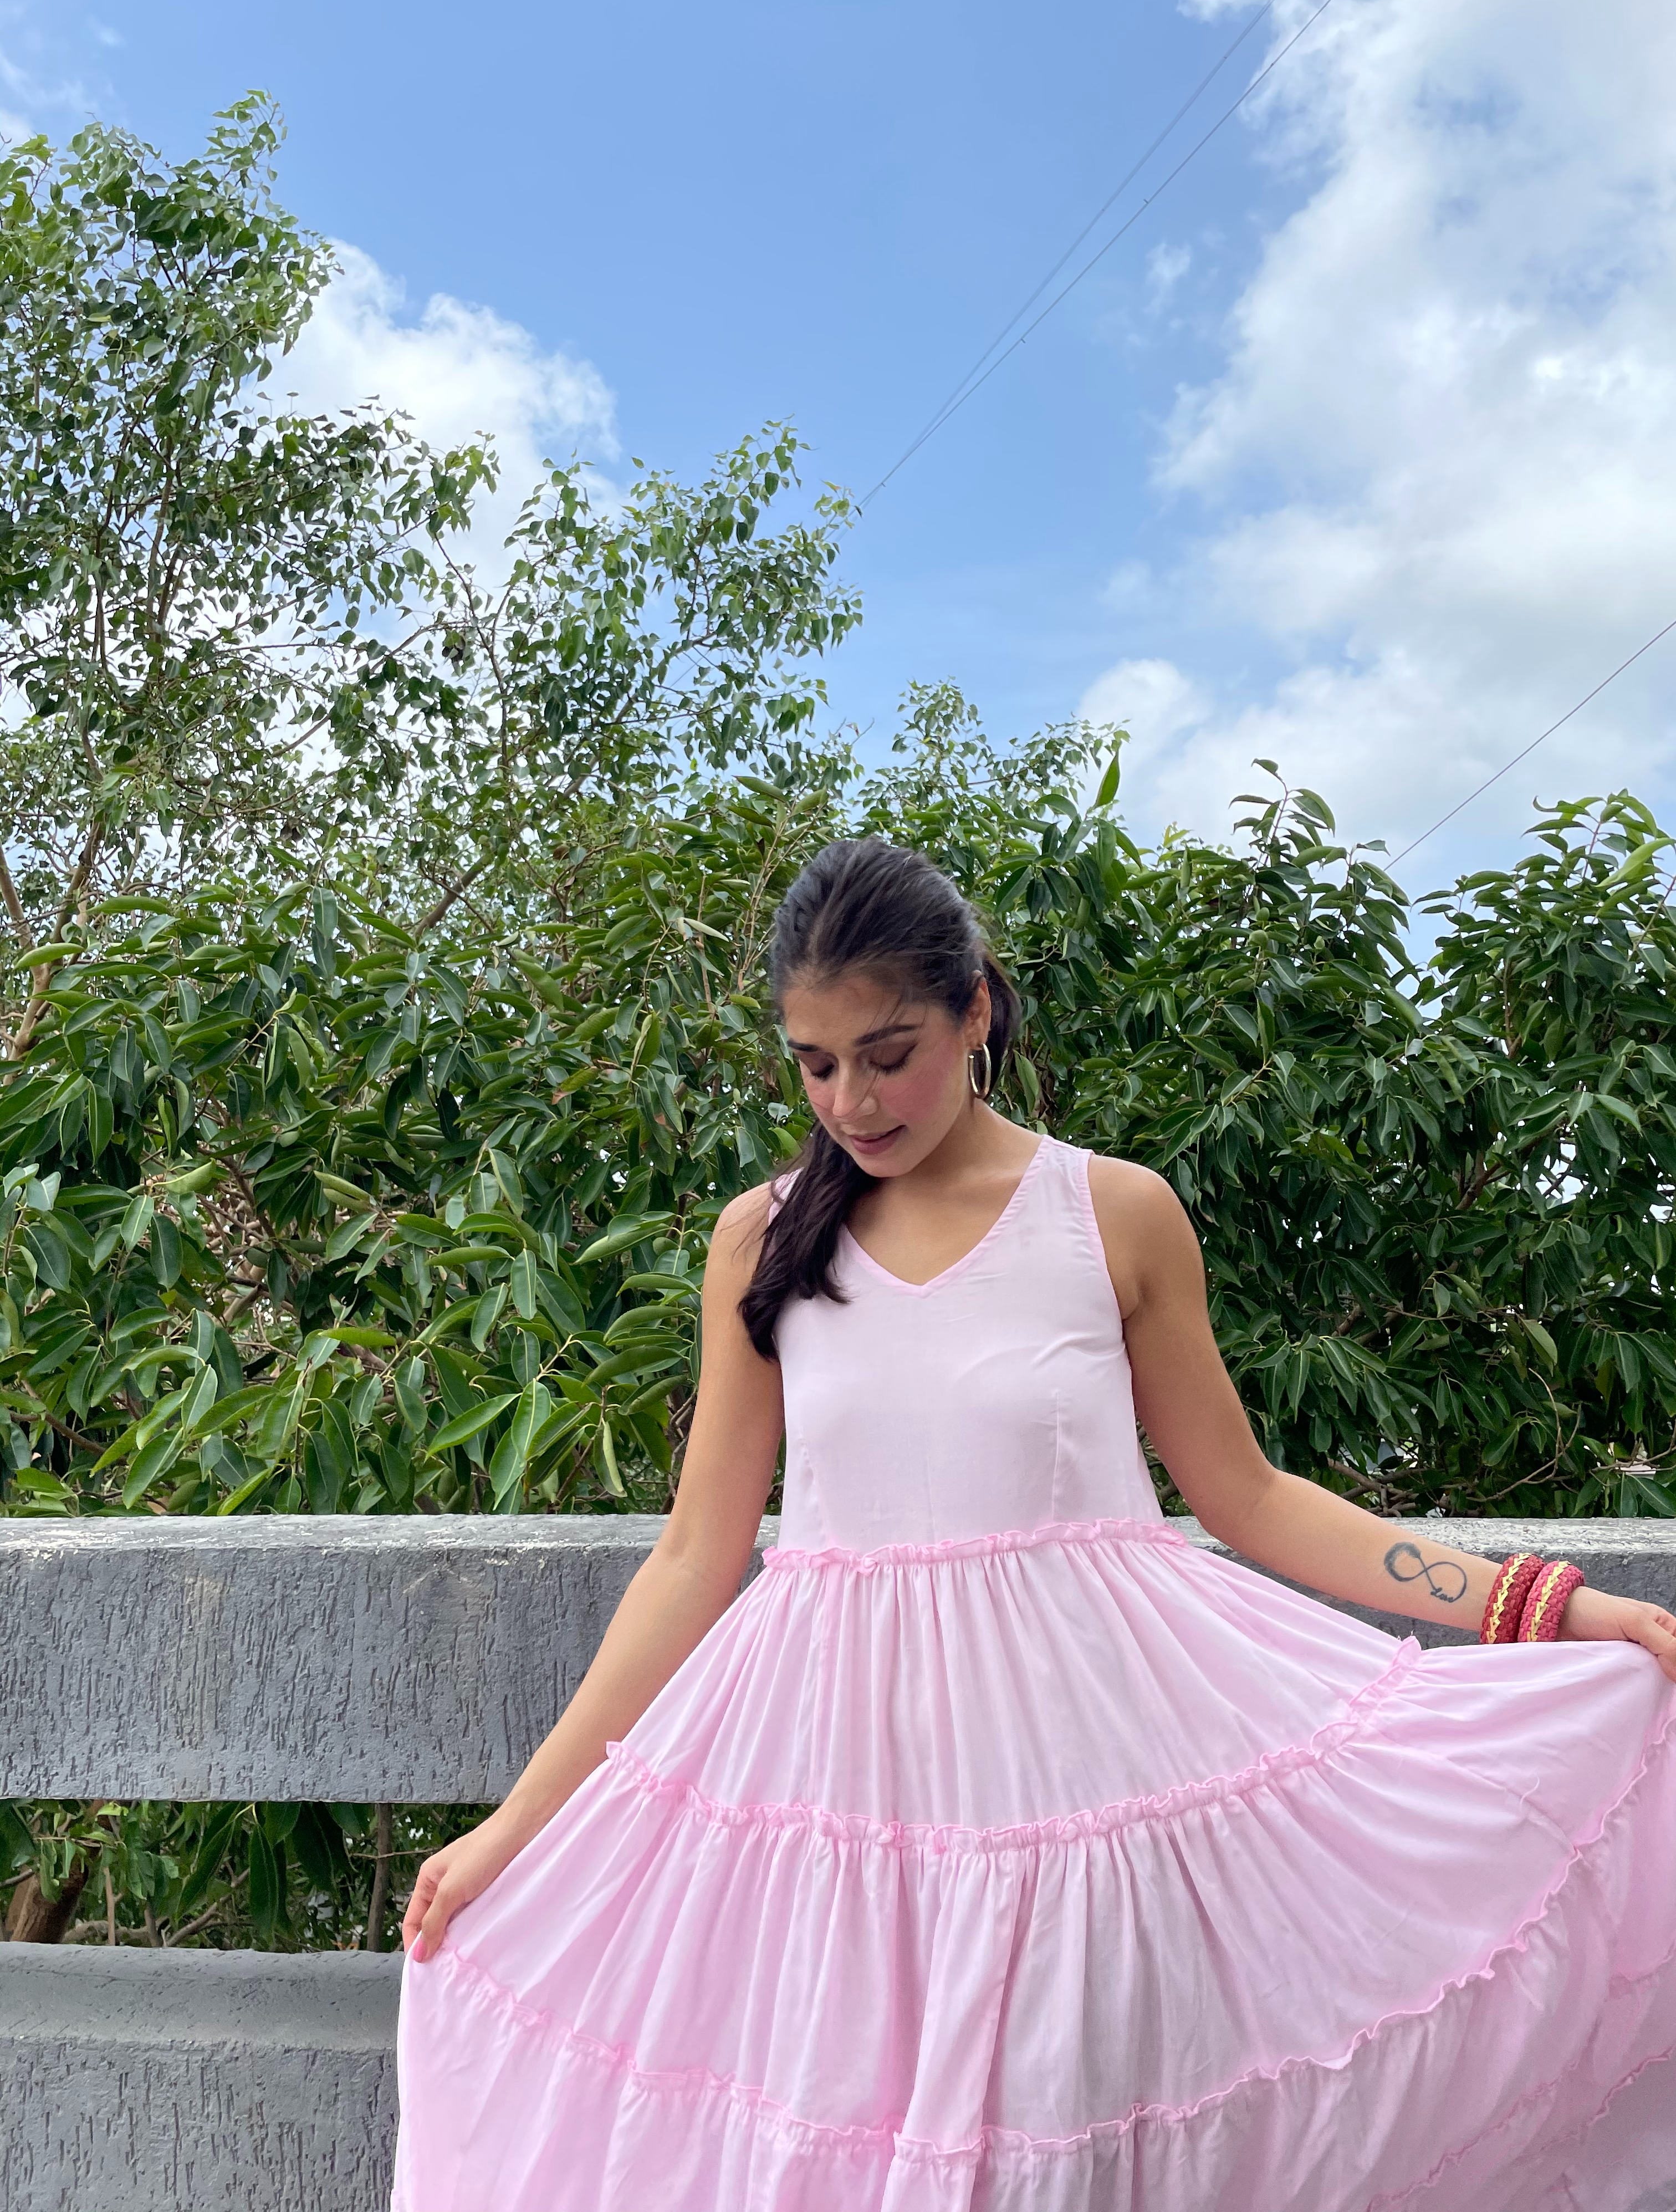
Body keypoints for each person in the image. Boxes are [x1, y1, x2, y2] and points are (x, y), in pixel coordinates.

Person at [392, 836, 1676, 2212]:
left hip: (1096, 1784)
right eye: (816, 1064)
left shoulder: (1111, 1215)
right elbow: (699, 1557)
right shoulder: (763, 1242)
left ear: (976, 1011)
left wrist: (1544, 1605)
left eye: (887, 1053)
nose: (852, 1100)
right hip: (840, 1806)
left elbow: (1246, 1500)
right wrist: (511, 1831)